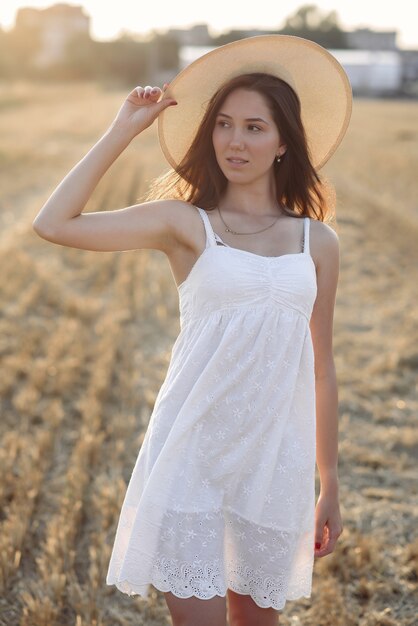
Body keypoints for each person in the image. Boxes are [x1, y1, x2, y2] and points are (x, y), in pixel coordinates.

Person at [33, 35, 352, 626]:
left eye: (255, 127)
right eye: (224, 124)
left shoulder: (318, 243)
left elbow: (323, 366)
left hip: (272, 465)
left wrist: (328, 481)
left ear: (285, 142)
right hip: (192, 459)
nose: (235, 140)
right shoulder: (185, 224)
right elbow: (54, 223)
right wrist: (123, 129)